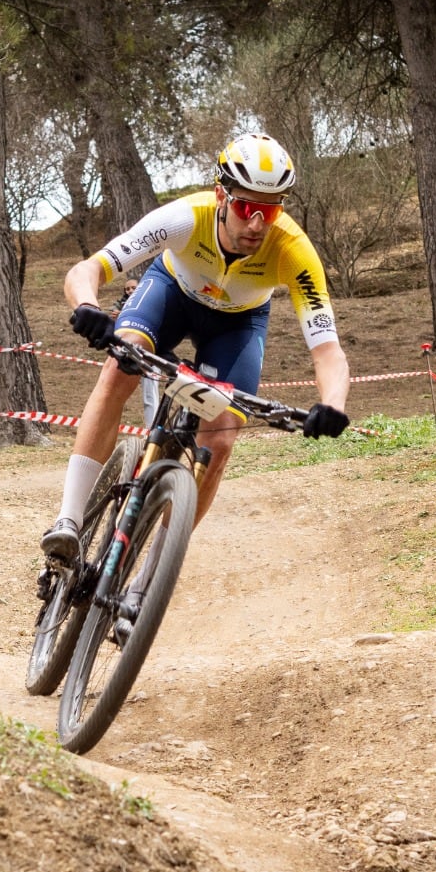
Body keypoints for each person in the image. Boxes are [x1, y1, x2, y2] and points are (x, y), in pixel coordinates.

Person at [41, 132, 351, 563]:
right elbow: (88, 269)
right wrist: (89, 306)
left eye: (271, 210)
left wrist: (332, 403)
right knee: (120, 365)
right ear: (222, 195)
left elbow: (328, 351)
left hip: (239, 323)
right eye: (246, 208)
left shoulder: (294, 250)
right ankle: (68, 522)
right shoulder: (186, 216)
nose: (258, 223)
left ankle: (157, 565)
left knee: (222, 434)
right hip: (171, 294)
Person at [116, 277, 160, 429]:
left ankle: (152, 428)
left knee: (150, 395)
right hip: (127, 355)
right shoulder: (120, 307)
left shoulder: (149, 302)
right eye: (127, 289)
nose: (130, 291)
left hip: (150, 353)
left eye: (133, 288)